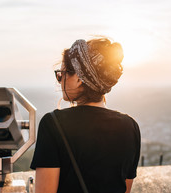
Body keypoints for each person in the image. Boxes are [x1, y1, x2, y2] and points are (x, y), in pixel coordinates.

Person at [30, 37, 141, 193]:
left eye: (61, 74)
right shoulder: (130, 126)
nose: (59, 80)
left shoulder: (53, 124)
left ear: (78, 79)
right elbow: (125, 189)